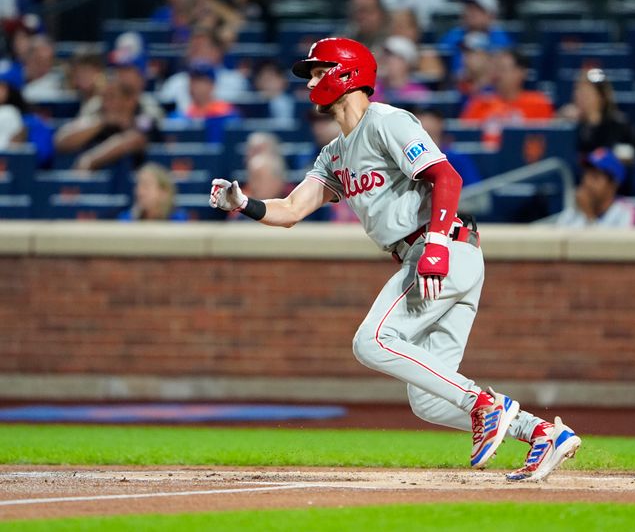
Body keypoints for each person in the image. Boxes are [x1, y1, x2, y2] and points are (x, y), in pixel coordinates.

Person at [209, 37, 581, 480]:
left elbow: (447, 176)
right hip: (437, 257)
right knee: (427, 400)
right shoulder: (334, 153)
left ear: (346, 73)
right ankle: (540, 433)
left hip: (440, 249)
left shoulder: (386, 120)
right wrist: (243, 202)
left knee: (371, 341)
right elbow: (291, 210)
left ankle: (485, 405)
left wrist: (437, 246)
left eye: (317, 69)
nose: (310, 80)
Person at [55, 77, 160, 171]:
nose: (105, 103)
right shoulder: (98, 116)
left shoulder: (144, 117)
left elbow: (133, 140)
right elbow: (61, 141)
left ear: (129, 100)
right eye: (104, 97)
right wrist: (102, 122)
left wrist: (90, 159)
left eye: (112, 97)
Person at [460, 48, 554, 148]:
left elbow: (546, 142)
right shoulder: (479, 103)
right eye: (496, 69)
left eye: (503, 69)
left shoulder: (538, 103)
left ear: (521, 73)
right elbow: (466, 140)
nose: (498, 75)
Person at [158, 27, 248, 113]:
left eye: (202, 47)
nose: (196, 51)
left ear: (217, 51)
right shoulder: (176, 81)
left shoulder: (235, 81)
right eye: (193, 47)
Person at [558, 68, 635, 162]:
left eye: (586, 94)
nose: (581, 98)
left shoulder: (620, 125)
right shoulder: (570, 125)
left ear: (601, 97)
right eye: (578, 92)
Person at [555, 148, 635, 228]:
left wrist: (590, 217)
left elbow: (625, 249)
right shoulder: (572, 215)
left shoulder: (629, 213)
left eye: (595, 177)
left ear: (613, 184)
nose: (587, 182)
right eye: (586, 175)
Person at [437, 0, 513, 77]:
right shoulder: (452, 37)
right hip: (456, 86)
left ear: (491, 15)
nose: (471, 13)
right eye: (469, 8)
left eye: (478, 9)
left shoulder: (502, 40)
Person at [414, 106, 482, 186]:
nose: (422, 123)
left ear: (439, 122)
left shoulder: (457, 158)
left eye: (427, 118)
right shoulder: (413, 157)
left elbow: (474, 189)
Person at [119, 162, 190, 221]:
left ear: (163, 192)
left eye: (146, 186)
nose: (139, 192)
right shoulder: (127, 218)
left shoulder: (179, 219)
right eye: (138, 185)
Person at [372, 35, 430, 103]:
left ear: (407, 63)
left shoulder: (418, 93)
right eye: (384, 54)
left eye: (391, 55)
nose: (385, 59)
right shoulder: (371, 89)